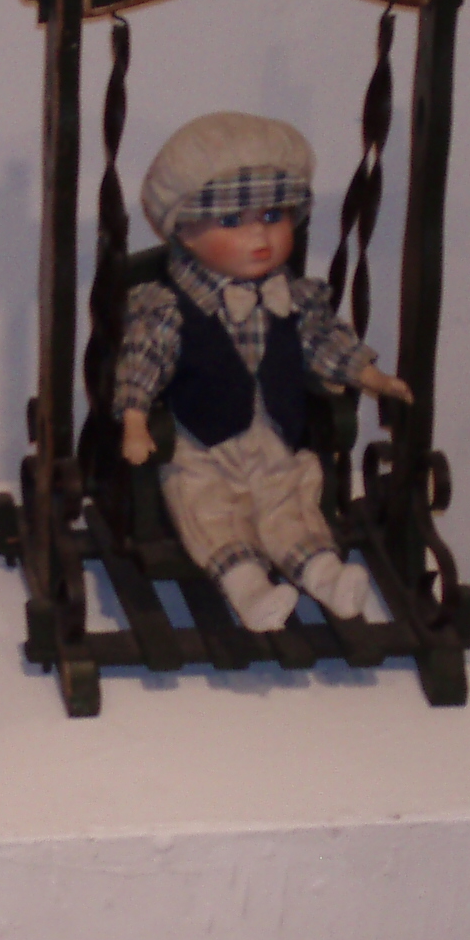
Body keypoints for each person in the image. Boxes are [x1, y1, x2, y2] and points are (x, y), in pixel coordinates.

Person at [111, 112, 409, 632]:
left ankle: (326, 576)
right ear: (185, 231)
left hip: (273, 437)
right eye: (232, 222)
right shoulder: (166, 305)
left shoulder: (293, 296)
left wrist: (371, 375)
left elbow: (324, 340)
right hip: (202, 444)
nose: (260, 236)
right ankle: (249, 590)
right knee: (209, 508)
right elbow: (143, 360)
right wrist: (135, 420)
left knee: (290, 500)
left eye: (273, 216)